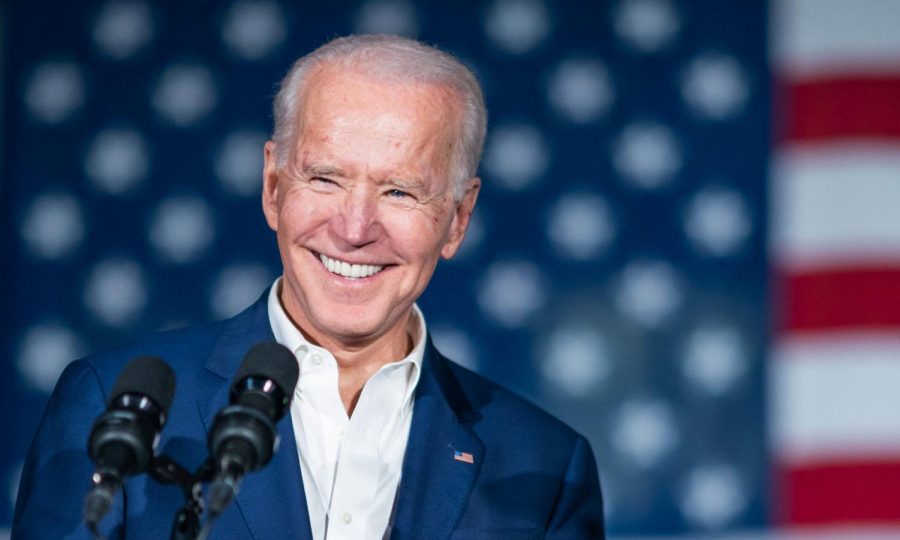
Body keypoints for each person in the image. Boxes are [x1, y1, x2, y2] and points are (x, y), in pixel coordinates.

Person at [13, 34, 604, 539]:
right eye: (325, 178)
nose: (353, 229)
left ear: (457, 218)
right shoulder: (112, 406)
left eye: (399, 191)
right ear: (273, 186)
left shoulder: (546, 466)